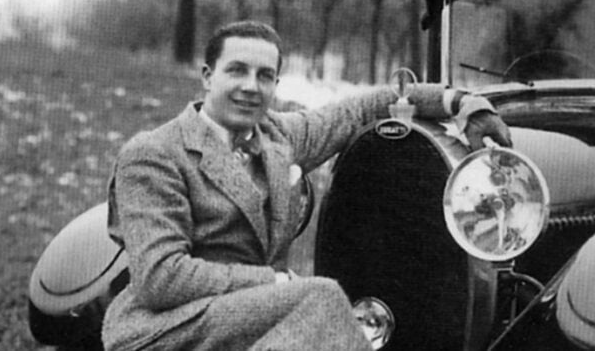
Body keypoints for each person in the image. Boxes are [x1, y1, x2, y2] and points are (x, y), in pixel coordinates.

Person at [102, 20, 512, 350]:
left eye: (265, 76)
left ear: (275, 86)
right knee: (322, 298)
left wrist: (461, 103)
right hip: (167, 327)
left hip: (251, 317)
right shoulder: (155, 153)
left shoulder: (277, 136)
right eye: (237, 71)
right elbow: (161, 279)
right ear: (208, 77)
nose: (251, 87)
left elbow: (364, 107)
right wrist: (277, 284)